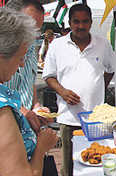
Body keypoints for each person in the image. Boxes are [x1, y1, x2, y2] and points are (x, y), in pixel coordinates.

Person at [42, 4, 116, 176]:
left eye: (85, 22)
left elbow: (111, 69)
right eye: (76, 21)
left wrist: (100, 88)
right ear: (69, 22)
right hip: (68, 118)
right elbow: (48, 76)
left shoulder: (102, 44)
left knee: (95, 164)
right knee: (69, 167)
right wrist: (62, 92)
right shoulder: (57, 45)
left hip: (96, 120)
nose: (80, 26)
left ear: (91, 23)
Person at [0, 7, 58, 176]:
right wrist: (41, 147)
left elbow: (30, 80)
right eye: (19, 58)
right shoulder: (3, 109)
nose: (21, 65)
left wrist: (34, 106)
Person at [4, 0, 47, 134]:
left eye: (37, 30)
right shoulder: (4, 54)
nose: (33, 35)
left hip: (26, 130)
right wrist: (23, 111)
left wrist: (36, 106)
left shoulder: (30, 49)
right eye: (29, 28)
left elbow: (29, 83)